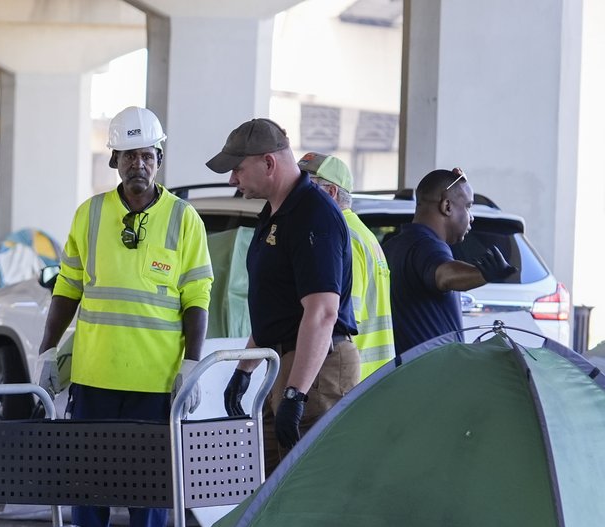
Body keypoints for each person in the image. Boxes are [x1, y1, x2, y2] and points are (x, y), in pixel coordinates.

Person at [34, 106, 212, 527]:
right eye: (130, 156)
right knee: (88, 490)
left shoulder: (183, 219)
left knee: (148, 499)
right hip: (94, 381)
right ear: (114, 160)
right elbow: (67, 288)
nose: (140, 165)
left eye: (148, 155)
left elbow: (197, 297)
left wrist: (191, 364)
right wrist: (48, 351)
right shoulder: (90, 215)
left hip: (155, 385)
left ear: (159, 159)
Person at [208, 119, 358, 470]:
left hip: (317, 366)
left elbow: (321, 312)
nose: (232, 179)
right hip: (288, 363)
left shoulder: (313, 214)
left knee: (305, 487)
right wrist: (245, 370)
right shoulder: (275, 213)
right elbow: (275, 306)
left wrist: (296, 393)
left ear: (269, 163)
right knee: (273, 485)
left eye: (238, 169)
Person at [385, 167, 517, 356]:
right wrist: (482, 274)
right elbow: (444, 275)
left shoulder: (393, 246)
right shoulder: (427, 245)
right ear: (447, 206)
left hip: (403, 374)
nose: (471, 217)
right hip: (430, 376)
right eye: (468, 206)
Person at [296, 152, 394, 381]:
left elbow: (338, 322)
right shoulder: (361, 233)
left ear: (331, 193)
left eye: (306, 187)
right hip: (372, 376)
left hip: (349, 377)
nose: (296, 194)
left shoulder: (342, 237)